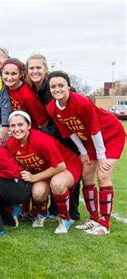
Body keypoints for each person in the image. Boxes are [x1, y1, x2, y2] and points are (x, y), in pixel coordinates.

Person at [46, 71, 125, 235]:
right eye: (53, 86)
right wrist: (83, 152)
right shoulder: (52, 107)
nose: (57, 89)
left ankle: (105, 224)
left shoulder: (81, 102)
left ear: (68, 86)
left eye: (61, 85)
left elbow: (95, 129)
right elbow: (69, 131)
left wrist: (101, 156)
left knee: (103, 175)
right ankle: (94, 218)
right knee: (87, 175)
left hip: (110, 135)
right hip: (89, 140)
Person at [25, 53, 81, 221]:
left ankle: (72, 212)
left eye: (38, 68)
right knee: (52, 172)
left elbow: (60, 121)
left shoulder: (51, 88)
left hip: (68, 138)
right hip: (52, 138)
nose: (35, 71)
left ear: (46, 69)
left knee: (68, 172)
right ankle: (55, 210)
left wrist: (39, 134)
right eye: (31, 68)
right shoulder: (35, 88)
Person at [6, 111, 82, 233]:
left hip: (67, 165)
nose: (17, 129)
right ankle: (42, 214)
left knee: (57, 184)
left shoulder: (41, 140)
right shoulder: (11, 143)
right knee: (38, 193)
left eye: (20, 125)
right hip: (43, 169)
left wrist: (34, 177)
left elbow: (60, 166)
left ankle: (65, 219)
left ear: (29, 126)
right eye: (13, 126)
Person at [1, 58, 49, 128]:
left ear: (21, 74)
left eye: (13, 74)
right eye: (6, 73)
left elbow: (44, 122)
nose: (9, 77)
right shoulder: (4, 88)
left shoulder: (28, 96)